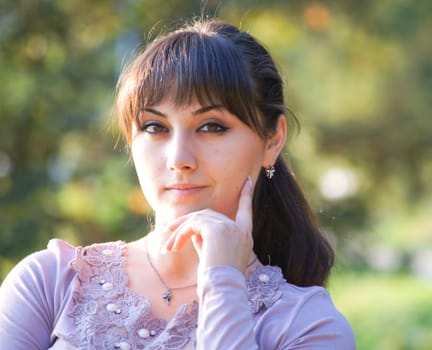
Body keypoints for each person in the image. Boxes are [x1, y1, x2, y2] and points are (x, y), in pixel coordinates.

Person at [0, 18, 356, 349]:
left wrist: (223, 282)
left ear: (273, 140)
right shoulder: (50, 282)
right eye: (155, 127)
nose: (178, 158)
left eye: (212, 126)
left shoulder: (307, 325)